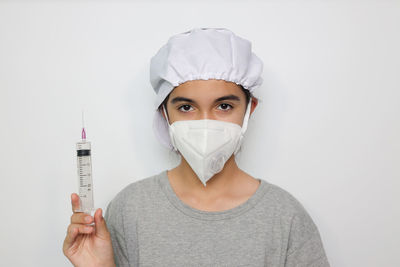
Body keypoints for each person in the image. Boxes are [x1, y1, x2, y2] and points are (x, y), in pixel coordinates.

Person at [63, 27, 330, 267]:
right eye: (186, 107)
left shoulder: (284, 217)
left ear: (249, 110)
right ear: (165, 114)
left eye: (224, 106)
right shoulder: (131, 209)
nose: (205, 123)